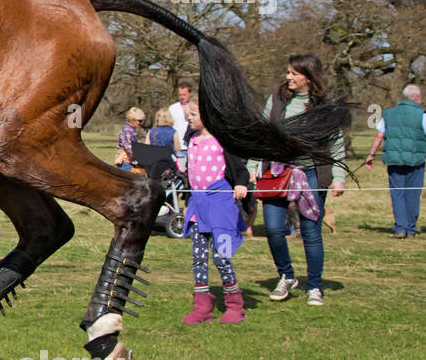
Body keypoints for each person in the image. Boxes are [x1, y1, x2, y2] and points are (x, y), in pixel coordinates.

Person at [247, 54, 347, 307]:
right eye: (288, 72)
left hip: (312, 172)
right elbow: (263, 136)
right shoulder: (278, 100)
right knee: (272, 228)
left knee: (311, 232)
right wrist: (251, 166)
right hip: (278, 172)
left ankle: (315, 286)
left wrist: (338, 177)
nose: (288, 77)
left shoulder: (325, 105)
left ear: (308, 76)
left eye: (293, 73)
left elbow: (335, 143)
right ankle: (286, 275)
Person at [179, 100, 249, 324]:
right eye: (187, 114)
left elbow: (239, 167)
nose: (188, 118)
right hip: (198, 206)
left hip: (220, 206)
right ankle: (202, 308)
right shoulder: (191, 140)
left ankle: (235, 306)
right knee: (198, 258)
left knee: (221, 256)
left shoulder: (222, 140)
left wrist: (240, 183)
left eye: (192, 114)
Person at [365, 84, 425, 237]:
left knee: (397, 193)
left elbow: (379, 135)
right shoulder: (422, 115)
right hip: (416, 159)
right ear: (417, 98)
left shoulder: (388, 114)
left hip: (394, 160)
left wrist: (371, 154)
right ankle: (410, 228)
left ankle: (400, 228)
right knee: (412, 193)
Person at [168, 79, 195, 163]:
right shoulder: (172, 108)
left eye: (184, 94)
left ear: (190, 94)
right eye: (180, 95)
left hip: (191, 146)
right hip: (177, 147)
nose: (182, 97)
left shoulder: (196, 108)